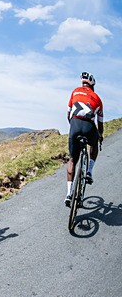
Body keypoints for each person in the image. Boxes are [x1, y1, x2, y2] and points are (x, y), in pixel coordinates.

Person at [65, 71, 104, 207]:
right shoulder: (97, 98)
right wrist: (100, 136)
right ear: (92, 85)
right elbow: (100, 122)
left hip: (74, 125)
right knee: (94, 145)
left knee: (72, 159)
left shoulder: (75, 92)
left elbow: (68, 113)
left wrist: (73, 128)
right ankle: (89, 171)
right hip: (88, 126)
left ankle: (69, 193)